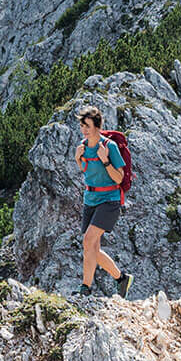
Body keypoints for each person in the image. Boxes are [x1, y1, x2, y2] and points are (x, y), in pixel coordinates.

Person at [74, 106, 133, 298]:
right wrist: (78, 160)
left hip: (109, 200)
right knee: (92, 248)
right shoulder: (83, 146)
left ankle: (85, 288)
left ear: (98, 126)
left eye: (88, 126)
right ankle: (121, 278)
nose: (84, 130)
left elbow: (118, 177)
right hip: (90, 199)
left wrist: (105, 160)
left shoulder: (109, 147)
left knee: (88, 241)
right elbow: (87, 171)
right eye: (82, 126)